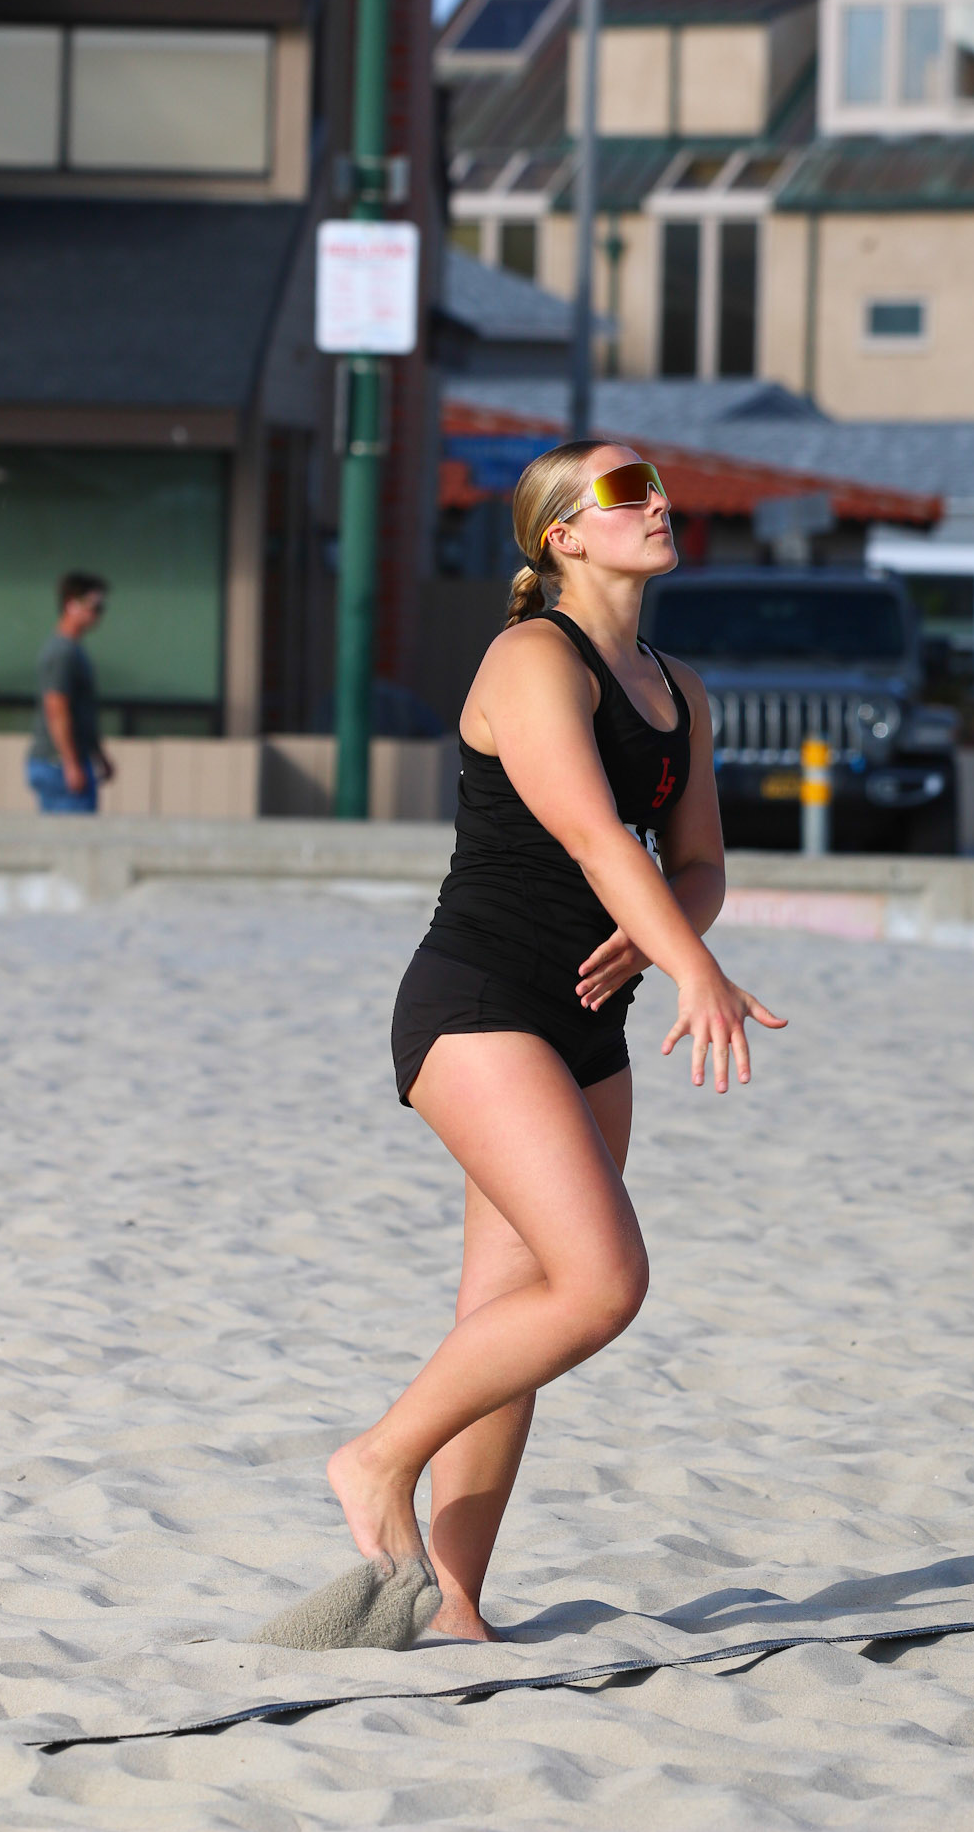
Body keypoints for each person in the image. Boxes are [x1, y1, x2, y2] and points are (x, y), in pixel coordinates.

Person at [328, 439, 787, 1643]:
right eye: (626, 491)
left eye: (657, 483)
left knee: (511, 1312)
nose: (658, 503)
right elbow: (593, 836)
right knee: (601, 1282)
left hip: (587, 1027)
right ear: (562, 535)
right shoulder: (533, 656)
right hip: (477, 1004)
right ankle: (376, 1458)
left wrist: (667, 934)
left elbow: (698, 865)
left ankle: (454, 1602)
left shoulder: (679, 687)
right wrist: (695, 969)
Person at [26, 572, 115, 814]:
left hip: (68, 761)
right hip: (58, 765)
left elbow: (80, 713)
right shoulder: (62, 652)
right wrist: (70, 763)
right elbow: (56, 707)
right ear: (71, 604)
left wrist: (98, 755)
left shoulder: (73, 650)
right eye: (93, 606)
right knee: (71, 836)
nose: (98, 614)